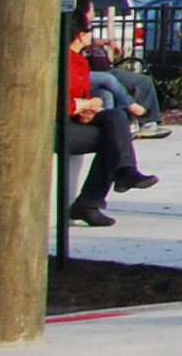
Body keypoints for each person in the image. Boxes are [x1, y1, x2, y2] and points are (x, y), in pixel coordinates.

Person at [60, 20, 152, 227]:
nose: (92, 34)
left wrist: (89, 110)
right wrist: (86, 104)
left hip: (74, 116)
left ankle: (126, 171)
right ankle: (89, 202)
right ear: (79, 35)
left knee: (115, 117)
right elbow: (56, 102)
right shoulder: (61, 60)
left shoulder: (80, 61)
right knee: (110, 139)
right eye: (89, 29)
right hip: (55, 123)